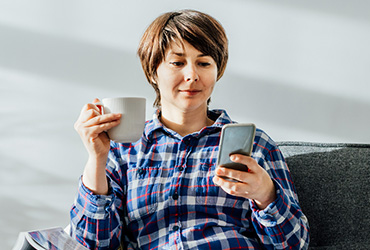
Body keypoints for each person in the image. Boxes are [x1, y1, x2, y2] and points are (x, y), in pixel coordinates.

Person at [70, 9, 309, 249]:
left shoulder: (256, 145)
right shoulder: (124, 148)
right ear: (153, 71)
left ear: (218, 71)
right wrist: (96, 160)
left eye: (204, 63)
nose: (192, 75)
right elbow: (92, 245)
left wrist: (266, 195)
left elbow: (295, 245)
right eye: (177, 63)